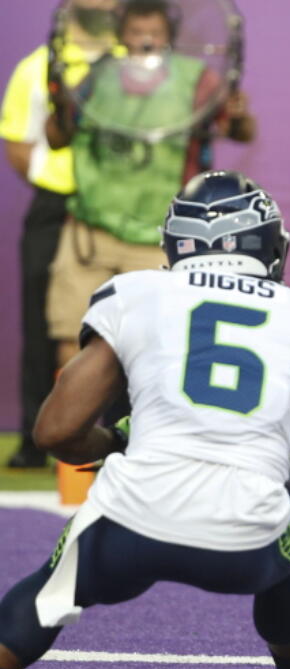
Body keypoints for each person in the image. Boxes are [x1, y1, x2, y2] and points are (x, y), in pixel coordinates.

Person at [0, 171, 290, 669]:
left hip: (130, 522)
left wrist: (119, 442)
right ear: (270, 244)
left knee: (50, 591)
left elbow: (56, 431)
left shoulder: (136, 292)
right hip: (250, 544)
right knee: (284, 516)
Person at [44, 0, 256, 369]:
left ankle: (149, 427)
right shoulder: (96, 75)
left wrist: (238, 116)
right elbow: (57, 138)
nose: (145, 42)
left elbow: (241, 131)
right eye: (137, 33)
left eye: (154, 33)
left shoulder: (198, 79)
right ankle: (74, 427)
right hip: (90, 235)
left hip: (160, 239)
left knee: (162, 345)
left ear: (170, 35)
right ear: (121, 34)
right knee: (71, 335)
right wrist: (59, 104)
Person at [0, 0, 117, 468]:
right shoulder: (37, 67)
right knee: (45, 323)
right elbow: (18, 143)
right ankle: (37, 437)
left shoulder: (142, 65)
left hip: (122, 208)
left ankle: (120, 433)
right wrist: (58, 186)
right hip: (56, 204)